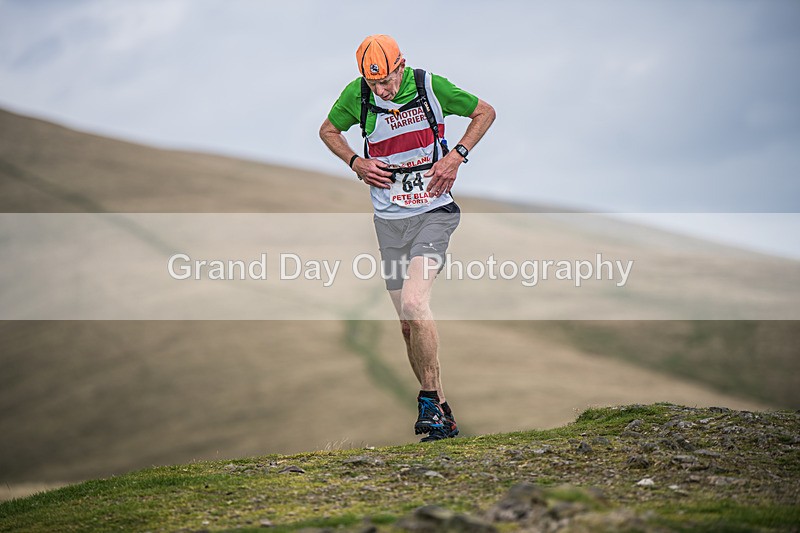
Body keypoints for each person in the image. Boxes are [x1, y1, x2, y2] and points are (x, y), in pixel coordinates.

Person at [319, 34, 495, 441]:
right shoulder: (357, 95)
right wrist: (355, 161)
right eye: (373, 83)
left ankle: (428, 400)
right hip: (388, 221)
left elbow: (484, 112)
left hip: (433, 212)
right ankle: (443, 415)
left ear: (401, 66)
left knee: (416, 303)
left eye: (386, 81)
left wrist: (456, 157)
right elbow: (328, 130)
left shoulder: (429, 85)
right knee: (406, 324)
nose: (381, 90)